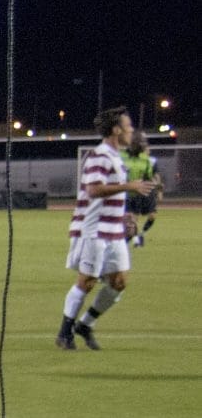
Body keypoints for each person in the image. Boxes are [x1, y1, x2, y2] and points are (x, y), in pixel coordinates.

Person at [58, 108, 158, 351]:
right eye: (128, 125)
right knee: (87, 281)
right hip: (94, 230)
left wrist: (124, 217)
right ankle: (64, 332)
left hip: (113, 229)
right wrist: (129, 185)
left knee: (119, 281)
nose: (131, 130)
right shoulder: (99, 155)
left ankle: (85, 325)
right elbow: (94, 190)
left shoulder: (115, 157)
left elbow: (111, 194)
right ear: (116, 129)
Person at [120, 131, 161, 248]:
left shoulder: (146, 160)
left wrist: (157, 189)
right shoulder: (121, 156)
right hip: (124, 194)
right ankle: (124, 243)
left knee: (132, 224)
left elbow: (151, 176)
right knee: (129, 223)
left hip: (138, 194)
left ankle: (131, 240)